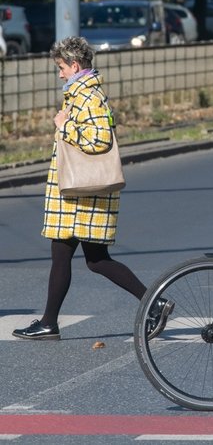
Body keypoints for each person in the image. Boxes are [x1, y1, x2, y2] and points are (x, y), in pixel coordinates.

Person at [13, 37, 173, 341]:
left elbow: (98, 140)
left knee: (90, 259)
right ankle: (51, 322)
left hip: (83, 194)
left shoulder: (88, 97)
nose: (59, 74)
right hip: (80, 194)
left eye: (61, 67)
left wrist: (64, 126)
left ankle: (154, 303)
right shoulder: (81, 93)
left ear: (75, 66)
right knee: (87, 258)